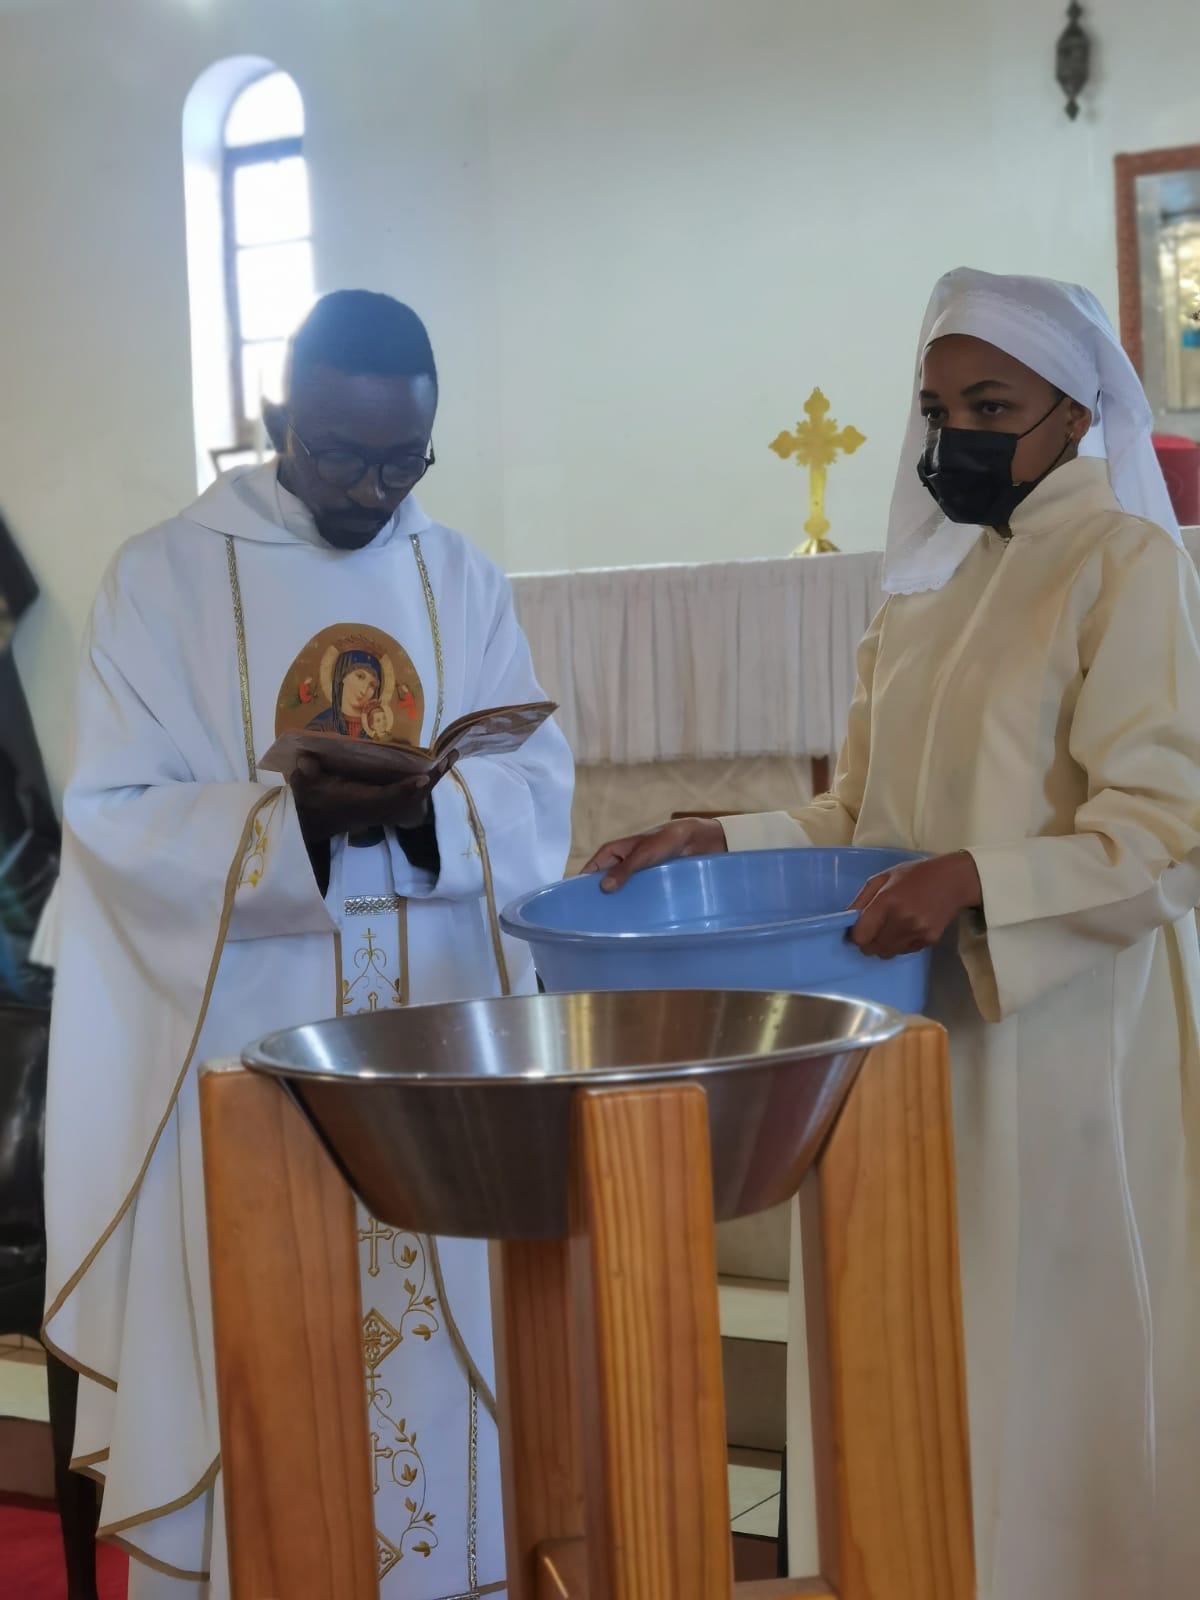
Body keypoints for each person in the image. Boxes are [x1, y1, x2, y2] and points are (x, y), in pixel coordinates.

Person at [585, 268, 1200, 1600]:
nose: (954, 436)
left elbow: (1166, 832)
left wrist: (974, 879)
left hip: (1054, 1044)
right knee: (902, 1338)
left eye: (992, 407)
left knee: (1039, 1365)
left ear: (1074, 411)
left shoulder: (1125, 564)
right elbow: (854, 821)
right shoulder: (920, 596)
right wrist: (717, 836)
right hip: (904, 1034)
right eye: (938, 409)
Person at [43, 289, 574, 1597]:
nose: (371, 491)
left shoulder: (460, 578)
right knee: (265, 1358)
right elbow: (112, 820)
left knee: (448, 1372)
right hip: (247, 1053)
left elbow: (538, 783)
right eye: (340, 455)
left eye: (403, 462)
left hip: (434, 1054)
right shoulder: (163, 579)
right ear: (277, 418)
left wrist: (431, 807)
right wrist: (289, 827)